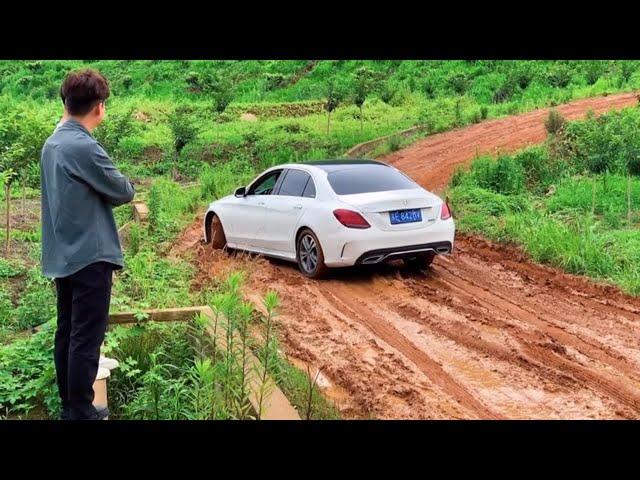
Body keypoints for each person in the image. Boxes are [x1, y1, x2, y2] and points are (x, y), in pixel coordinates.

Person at [40, 69, 135, 420]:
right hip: (90, 255)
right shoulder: (82, 145)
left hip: (64, 254)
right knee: (86, 336)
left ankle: (71, 405)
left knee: (67, 331)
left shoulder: (53, 142)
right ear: (99, 107)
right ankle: (80, 409)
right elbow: (123, 190)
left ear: (65, 101)